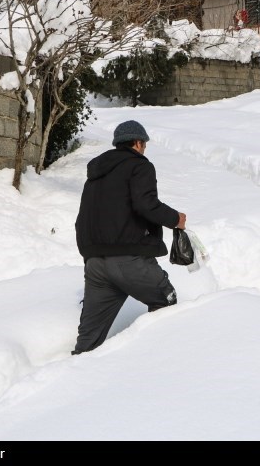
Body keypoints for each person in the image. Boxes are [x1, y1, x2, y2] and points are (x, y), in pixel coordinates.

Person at [72, 119, 186, 355]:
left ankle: (71, 382)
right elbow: (146, 204)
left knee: (88, 343)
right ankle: (150, 364)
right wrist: (176, 219)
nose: (144, 149)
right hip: (128, 259)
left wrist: (89, 254)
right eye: (144, 144)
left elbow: (81, 219)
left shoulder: (95, 176)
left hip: (94, 263)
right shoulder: (139, 166)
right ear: (137, 142)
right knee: (166, 302)